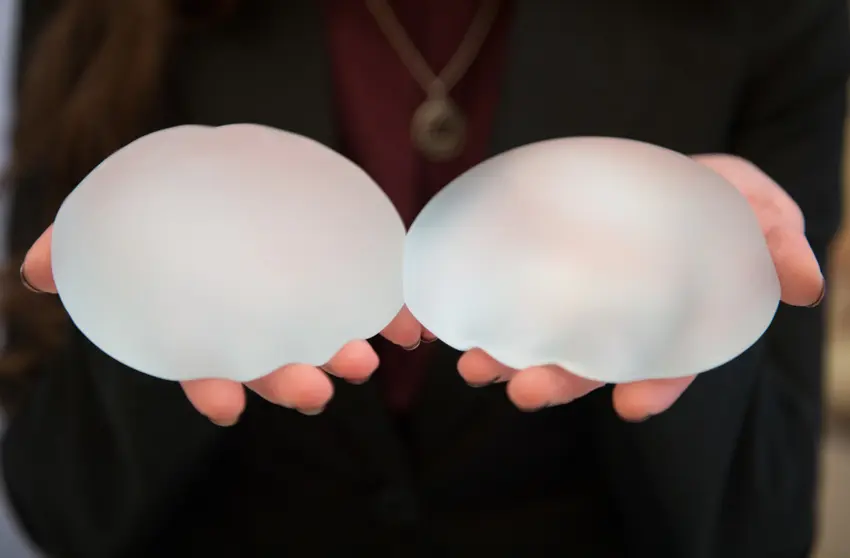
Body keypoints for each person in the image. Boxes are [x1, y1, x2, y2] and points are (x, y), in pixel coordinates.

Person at [1, 0, 848, 555]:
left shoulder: (770, 19)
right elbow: (60, 501)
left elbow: (763, 524)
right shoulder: (117, 15)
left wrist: (687, 293)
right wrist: (152, 293)